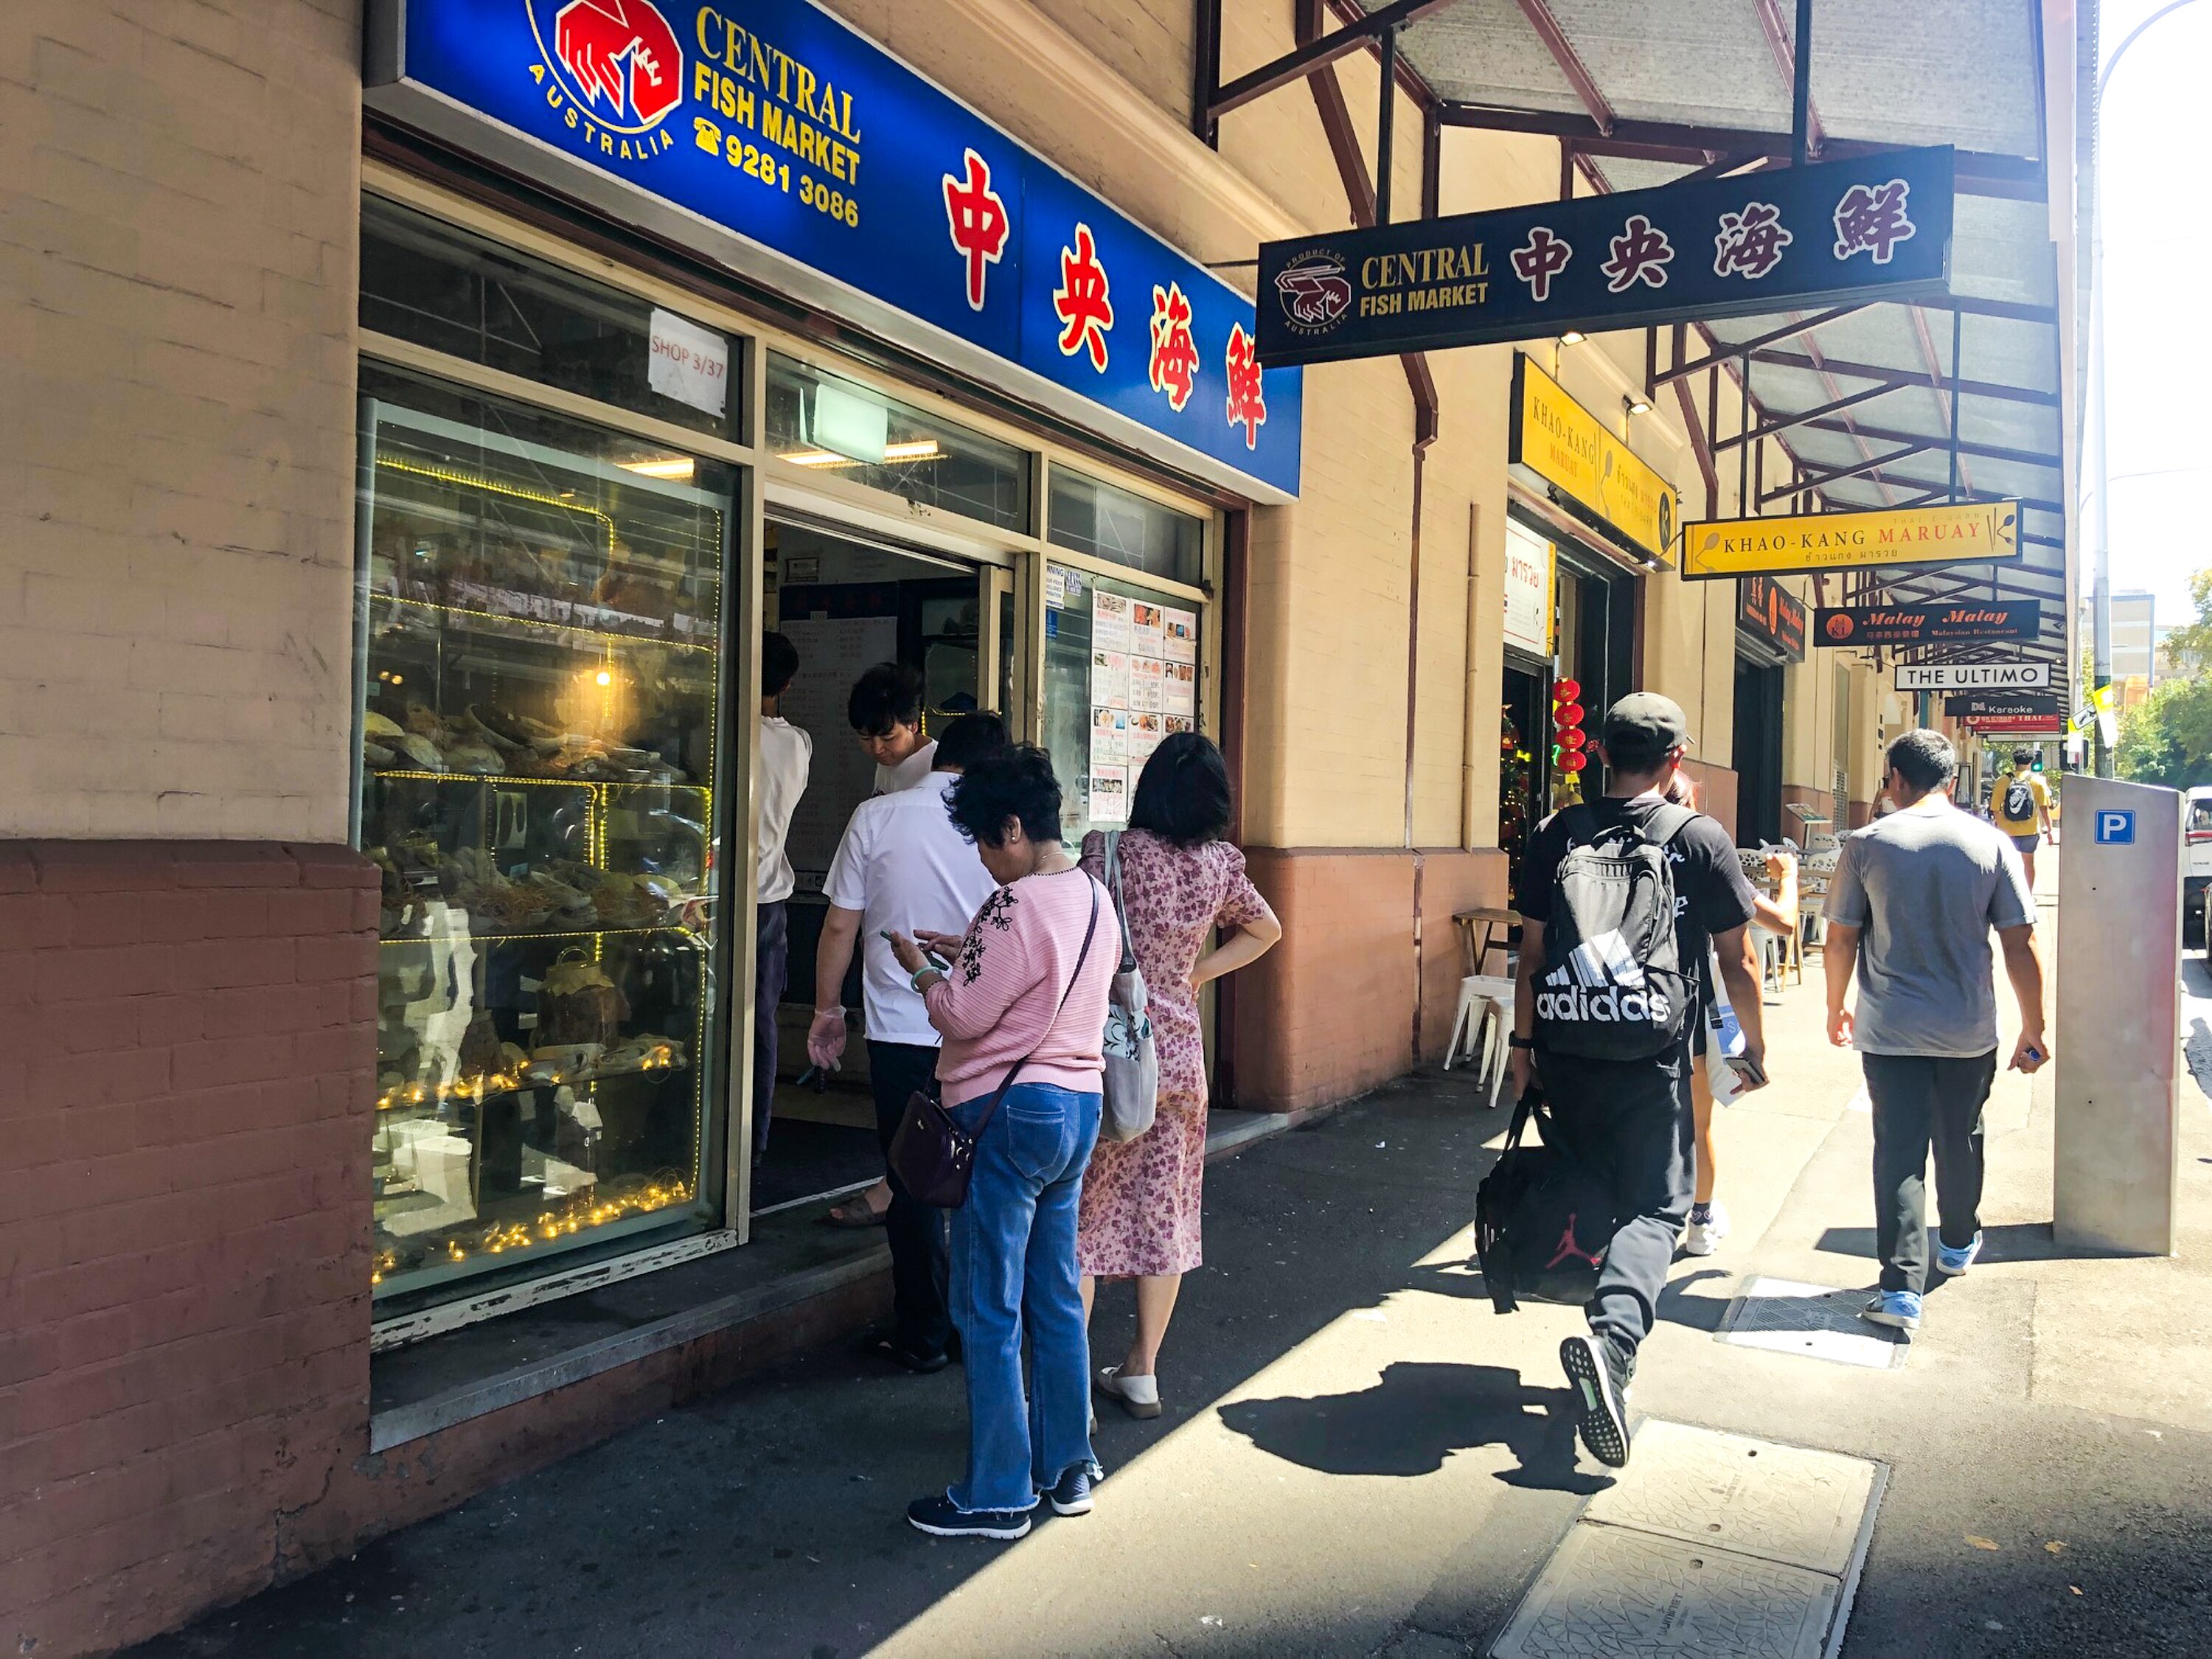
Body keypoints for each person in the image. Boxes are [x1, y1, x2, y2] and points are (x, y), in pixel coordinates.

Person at [1509, 693, 1768, 1468]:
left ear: (1598, 754)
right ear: (1676, 760)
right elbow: (1737, 957)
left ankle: (1588, 1301)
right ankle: (1614, 1344)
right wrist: (1753, 1043)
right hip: (1651, 1054)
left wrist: (1524, 1046)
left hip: (1564, 1041)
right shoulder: (1698, 837)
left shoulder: (1555, 833)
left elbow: (1529, 953)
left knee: (1590, 1181)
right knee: (1658, 1205)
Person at [890, 745, 1118, 1540]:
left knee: (987, 1303)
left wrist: (921, 969)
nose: (986, 861)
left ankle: (996, 1491)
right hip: (1077, 1111)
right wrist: (966, 954)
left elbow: (959, 1018)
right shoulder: (1093, 895)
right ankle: (1068, 1466)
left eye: (988, 843)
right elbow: (1043, 987)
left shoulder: (1016, 905)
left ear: (1014, 829)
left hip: (1007, 1116)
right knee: (1056, 1292)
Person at [1075, 734, 1281, 1421]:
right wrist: (1193, 975)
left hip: (1108, 1053)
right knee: (1164, 1210)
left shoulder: (1109, 853)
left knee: (1083, 1214)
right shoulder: (1219, 865)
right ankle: (1142, 1370)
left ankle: (1067, 1374)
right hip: (1180, 1058)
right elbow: (1266, 930)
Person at [1824, 729, 2048, 1335]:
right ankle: (1955, 1242)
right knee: (1961, 1134)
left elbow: (1841, 936)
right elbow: (2019, 941)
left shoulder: (1867, 843)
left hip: (1890, 1027)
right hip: (1967, 1027)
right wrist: (2034, 1024)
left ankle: (1899, 1291)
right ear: (1951, 779)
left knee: (1898, 1149)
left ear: (1895, 776)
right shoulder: (1991, 842)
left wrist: (1834, 1005)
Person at [807, 712, 1007, 1372]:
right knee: (991, 1182)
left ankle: (922, 1334)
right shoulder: (1005, 827)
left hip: (901, 1030)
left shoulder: (878, 815)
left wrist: (827, 1010)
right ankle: (988, 1330)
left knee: (913, 1182)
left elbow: (840, 927)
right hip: (986, 1032)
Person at [1658, 772, 1795, 1257]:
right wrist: (1789, 877)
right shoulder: (1709, 857)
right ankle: (1699, 1222)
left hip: (1629, 1006)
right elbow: (1780, 925)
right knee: (1697, 1124)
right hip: (1697, 1009)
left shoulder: (1622, 848)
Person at [753, 631, 812, 1161]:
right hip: (771, 897)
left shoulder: (726, 735)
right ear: (788, 683)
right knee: (761, 1020)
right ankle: (756, 1142)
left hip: (714, 899)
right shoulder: (797, 744)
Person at [850, 661, 936, 795]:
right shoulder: (889, 760)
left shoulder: (936, 767)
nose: (877, 749)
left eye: (888, 738)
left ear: (913, 726)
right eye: (865, 738)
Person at [1987, 746, 2055, 891]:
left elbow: (1995, 808)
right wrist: (2049, 830)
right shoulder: (2037, 781)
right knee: (2028, 863)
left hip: (2006, 832)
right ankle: (2027, 896)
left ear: (2015, 761)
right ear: (2031, 761)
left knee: (2003, 864)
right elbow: (2044, 808)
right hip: (2029, 830)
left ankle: (2003, 895)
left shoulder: (2003, 780)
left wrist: (2001, 826)